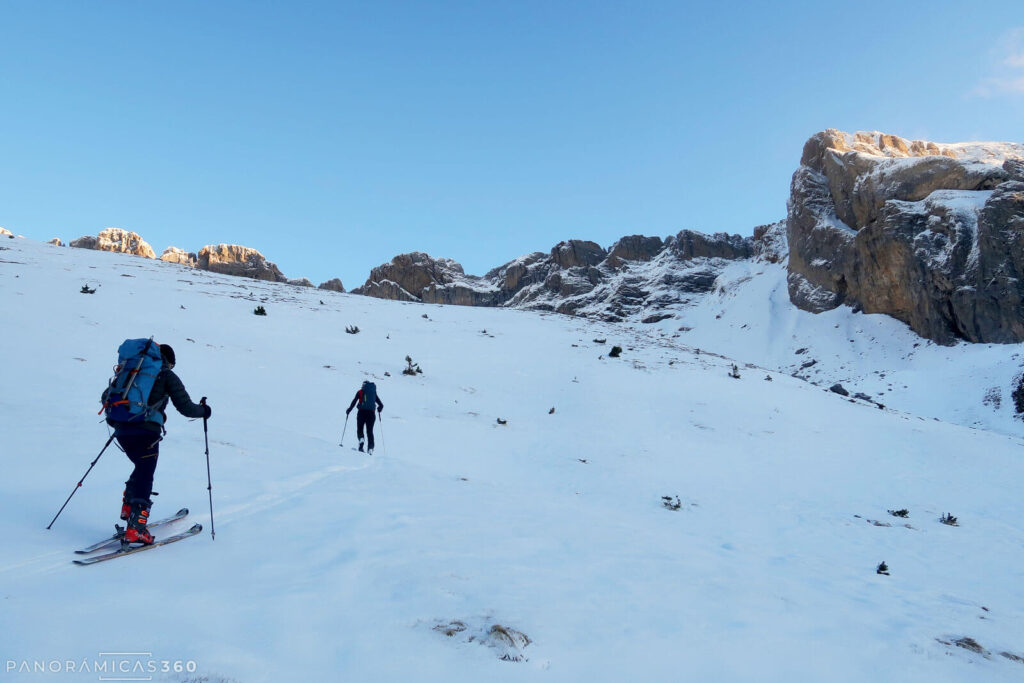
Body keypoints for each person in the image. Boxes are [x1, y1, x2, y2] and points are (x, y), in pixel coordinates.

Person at [102, 343, 211, 544]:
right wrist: (205, 411)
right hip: (147, 433)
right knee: (145, 472)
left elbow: (106, 397)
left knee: (140, 466)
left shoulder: (131, 370)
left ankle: (129, 507)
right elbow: (186, 407)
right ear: (168, 362)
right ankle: (136, 528)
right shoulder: (166, 375)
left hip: (122, 431)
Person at [346, 380, 383, 453]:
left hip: (361, 413)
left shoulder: (360, 392)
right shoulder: (373, 393)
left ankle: (361, 440)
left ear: (363, 385)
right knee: (370, 431)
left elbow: (354, 401)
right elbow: (381, 405)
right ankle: (370, 448)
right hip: (371, 414)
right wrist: (379, 409)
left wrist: (349, 410)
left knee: (360, 428)